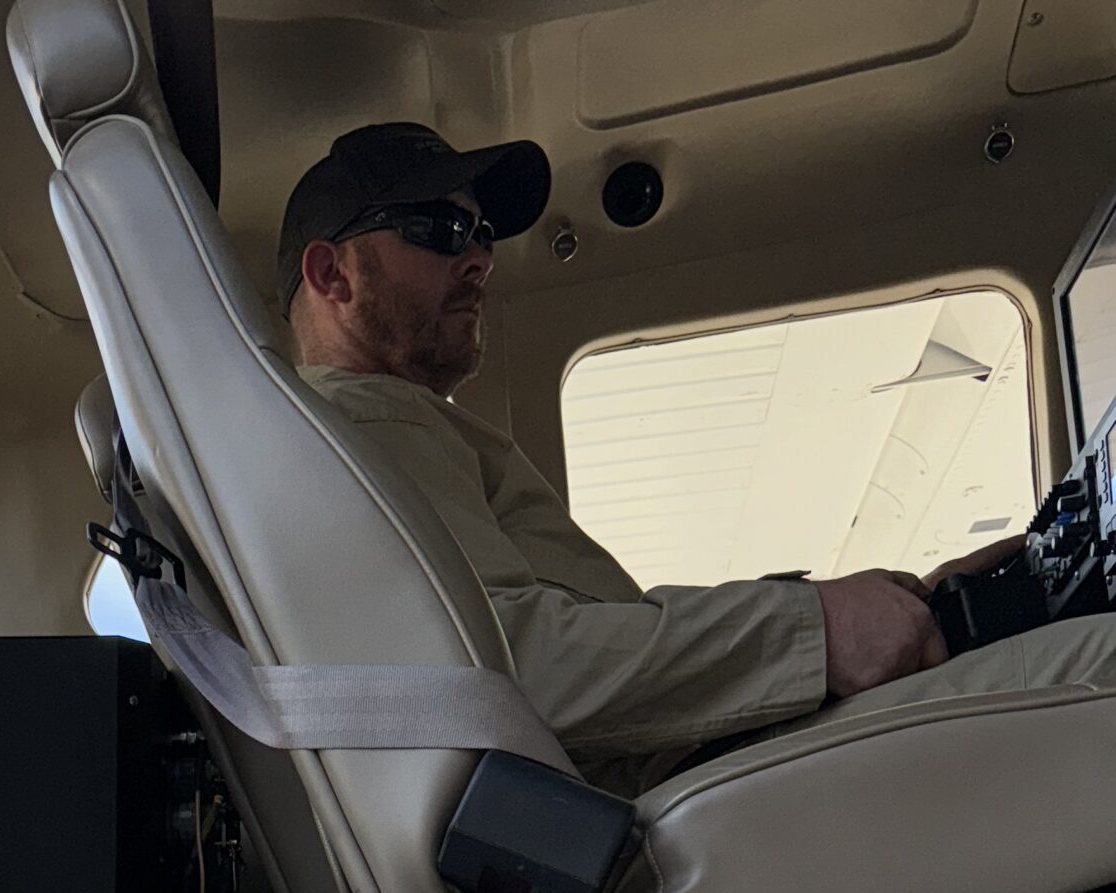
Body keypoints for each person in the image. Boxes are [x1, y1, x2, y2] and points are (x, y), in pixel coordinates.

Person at [278, 122, 1116, 793]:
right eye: (441, 228)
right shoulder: (359, 426)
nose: (479, 257)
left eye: (483, 232)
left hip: (679, 776)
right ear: (333, 275)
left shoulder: (398, 434)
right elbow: (511, 670)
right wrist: (817, 630)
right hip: (660, 815)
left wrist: (897, 607)